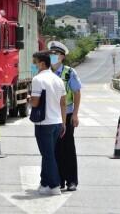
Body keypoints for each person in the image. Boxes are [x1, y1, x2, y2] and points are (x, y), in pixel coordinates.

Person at [30, 51, 66, 196]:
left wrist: (28, 99)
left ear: (42, 63)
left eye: (35, 62)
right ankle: (44, 183)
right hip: (57, 122)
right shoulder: (58, 79)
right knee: (48, 154)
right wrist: (63, 122)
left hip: (43, 123)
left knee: (48, 155)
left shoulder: (38, 79)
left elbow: (35, 102)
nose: (34, 65)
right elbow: (63, 103)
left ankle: (54, 185)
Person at [49, 41, 82, 192]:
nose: (53, 56)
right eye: (51, 53)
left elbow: (76, 92)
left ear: (62, 57)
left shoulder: (69, 72)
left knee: (68, 148)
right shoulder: (45, 72)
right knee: (54, 149)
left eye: (56, 54)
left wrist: (75, 114)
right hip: (50, 116)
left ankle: (71, 181)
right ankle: (58, 180)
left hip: (67, 115)